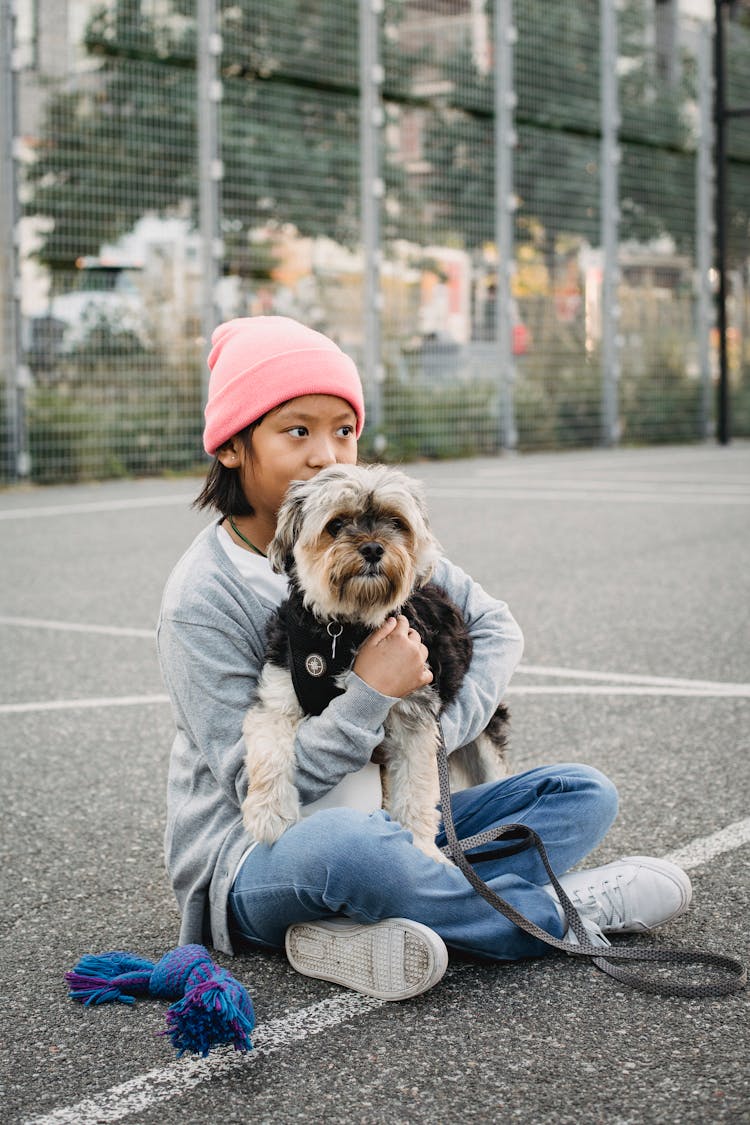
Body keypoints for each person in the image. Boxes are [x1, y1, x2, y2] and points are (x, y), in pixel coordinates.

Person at [156, 316, 692, 1001]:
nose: (329, 455)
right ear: (232, 446)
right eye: (298, 431)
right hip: (256, 856)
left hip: (382, 817)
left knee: (580, 792)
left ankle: (364, 925)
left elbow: (497, 627)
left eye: (343, 430)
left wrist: (439, 723)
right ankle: (562, 912)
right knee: (358, 850)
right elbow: (252, 787)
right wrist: (370, 697)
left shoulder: (377, 541)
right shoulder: (201, 597)